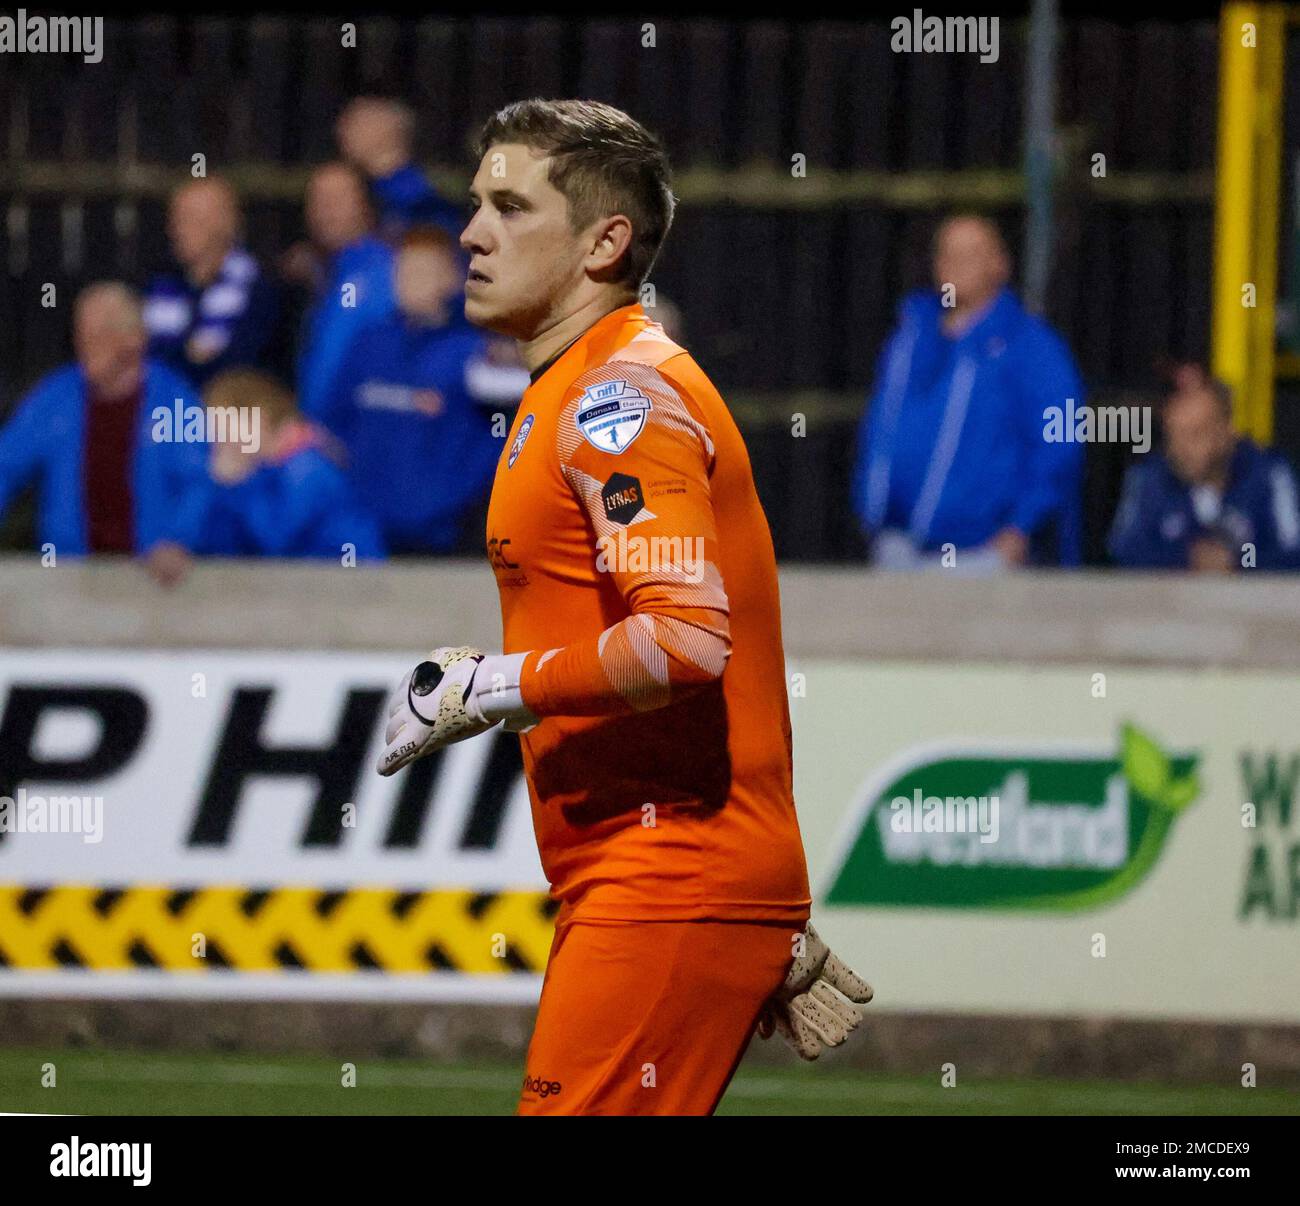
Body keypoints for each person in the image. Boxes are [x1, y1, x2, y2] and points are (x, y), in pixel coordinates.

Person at [375, 99, 873, 1116]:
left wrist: (492, 687)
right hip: (659, 880)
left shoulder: (618, 402)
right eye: (477, 203)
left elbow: (685, 639)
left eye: (510, 208)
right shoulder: (574, 389)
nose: (472, 232)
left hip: (667, 877)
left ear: (605, 242)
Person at [852, 214, 1085, 570]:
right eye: (948, 255)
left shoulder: (1028, 345)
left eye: (972, 254)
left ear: (1000, 263)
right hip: (897, 549)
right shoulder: (911, 339)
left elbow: (1062, 441)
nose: (956, 266)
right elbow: (880, 431)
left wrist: (1020, 529)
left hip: (982, 556)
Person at [307, 224, 528, 553]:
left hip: (452, 538)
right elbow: (334, 425)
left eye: (423, 271)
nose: (409, 281)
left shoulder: (474, 353)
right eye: (403, 269)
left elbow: (519, 407)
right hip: (369, 536)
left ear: (452, 278)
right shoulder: (367, 344)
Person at [0, 282, 210, 586]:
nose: (87, 345)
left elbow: (199, 482)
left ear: (135, 338)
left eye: (101, 333)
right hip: (70, 578)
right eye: (82, 333)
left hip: (153, 583)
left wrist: (179, 540)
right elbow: (6, 464)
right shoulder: (56, 397)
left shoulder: (175, 400)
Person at [1108, 372, 1300, 572]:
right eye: (1173, 436)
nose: (1180, 449)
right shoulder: (1148, 476)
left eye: (1195, 434)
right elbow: (1125, 552)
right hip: (1171, 602)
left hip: (1252, 602)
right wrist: (1187, 559)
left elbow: (1292, 553)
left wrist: (1238, 561)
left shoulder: (1268, 474)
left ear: (1226, 432)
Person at [200, 369, 384, 561]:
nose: (220, 442)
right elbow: (222, 544)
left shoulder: (308, 466)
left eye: (224, 428)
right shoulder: (265, 470)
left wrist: (235, 485)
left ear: (260, 418)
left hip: (348, 577)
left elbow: (275, 538)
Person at [142, 177, 282, 387]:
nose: (176, 230)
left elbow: (237, 368)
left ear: (226, 224)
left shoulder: (260, 293)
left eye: (189, 219)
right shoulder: (158, 285)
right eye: (174, 219)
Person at [294, 162, 399, 417]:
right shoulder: (329, 274)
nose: (325, 210)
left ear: (367, 206)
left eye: (338, 199)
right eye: (317, 200)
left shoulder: (384, 275)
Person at [336, 96, 462, 235]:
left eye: (356, 123)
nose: (341, 131)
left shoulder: (419, 200)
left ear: (386, 130)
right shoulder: (366, 188)